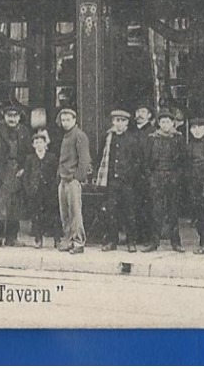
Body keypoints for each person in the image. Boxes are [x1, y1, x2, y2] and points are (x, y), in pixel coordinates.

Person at [95, 108, 142, 253]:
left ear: (127, 123)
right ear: (113, 122)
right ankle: (112, 241)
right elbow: (100, 157)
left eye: (122, 121)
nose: (119, 124)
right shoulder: (108, 138)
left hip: (127, 182)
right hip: (111, 181)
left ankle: (131, 242)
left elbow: (138, 161)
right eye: (117, 120)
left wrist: (130, 175)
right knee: (111, 212)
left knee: (129, 212)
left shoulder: (132, 139)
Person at [0, 104, 31, 248]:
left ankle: (12, 238)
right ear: (4, 116)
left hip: (17, 171)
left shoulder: (24, 131)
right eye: (9, 116)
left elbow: (28, 153)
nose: (12, 119)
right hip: (1, 171)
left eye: (15, 116)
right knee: (0, 205)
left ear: (19, 117)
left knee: (15, 206)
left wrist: (24, 169)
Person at [142, 108, 185, 253]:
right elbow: (146, 160)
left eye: (168, 121)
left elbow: (183, 161)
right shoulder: (152, 138)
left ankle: (176, 242)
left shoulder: (178, 138)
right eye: (162, 122)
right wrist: (151, 176)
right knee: (156, 210)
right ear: (159, 123)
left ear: (173, 123)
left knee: (173, 210)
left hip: (172, 177)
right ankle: (154, 242)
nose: (165, 124)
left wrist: (177, 176)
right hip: (157, 177)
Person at [57, 107, 91, 255]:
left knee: (75, 212)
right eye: (63, 120)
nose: (65, 123)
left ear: (74, 120)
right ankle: (69, 240)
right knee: (65, 212)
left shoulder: (79, 136)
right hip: (64, 179)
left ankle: (78, 242)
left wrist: (77, 177)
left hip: (72, 180)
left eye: (68, 120)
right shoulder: (65, 136)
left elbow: (85, 160)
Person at [22, 131, 60, 248]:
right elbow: (26, 175)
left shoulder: (51, 157)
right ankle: (38, 239)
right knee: (36, 215)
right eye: (36, 142)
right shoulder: (30, 158)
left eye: (41, 142)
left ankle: (57, 240)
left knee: (53, 214)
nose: (39, 145)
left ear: (45, 144)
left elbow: (56, 173)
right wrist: (28, 188)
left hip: (49, 190)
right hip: (35, 190)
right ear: (33, 145)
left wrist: (54, 187)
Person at [186, 116, 204, 254]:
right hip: (194, 183)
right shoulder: (191, 144)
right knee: (199, 215)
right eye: (193, 128)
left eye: (200, 127)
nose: (197, 131)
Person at [133, 103, 155, 245]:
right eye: (137, 111)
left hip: (147, 174)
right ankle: (137, 236)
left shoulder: (153, 132)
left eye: (143, 111)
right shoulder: (132, 131)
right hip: (133, 175)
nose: (139, 114)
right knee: (134, 206)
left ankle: (148, 237)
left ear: (149, 115)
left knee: (148, 207)